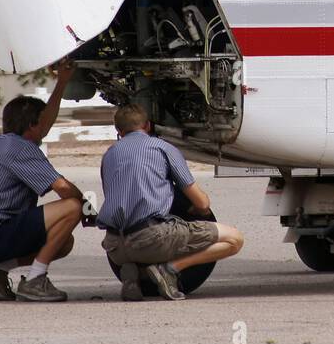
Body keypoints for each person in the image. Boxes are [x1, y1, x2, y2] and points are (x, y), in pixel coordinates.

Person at [98, 103, 244, 300]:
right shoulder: (162, 148)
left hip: (115, 247)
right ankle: (169, 269)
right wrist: (198, 210)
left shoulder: (109, 155)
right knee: (234, 239)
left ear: (118, 130)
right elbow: (202, 204)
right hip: (149, 240)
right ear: (148, 126)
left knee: (138, 238)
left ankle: (135, 273)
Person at [0, 62, 84, 302]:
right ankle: (35, 281)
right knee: (72, 207)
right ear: (31, 125)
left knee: (63, 242)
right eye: (41, 123)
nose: (46, 126)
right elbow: (62, 188)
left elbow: (45, 122)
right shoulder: (21, 149)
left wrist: (62, 82)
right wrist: (85, 203)